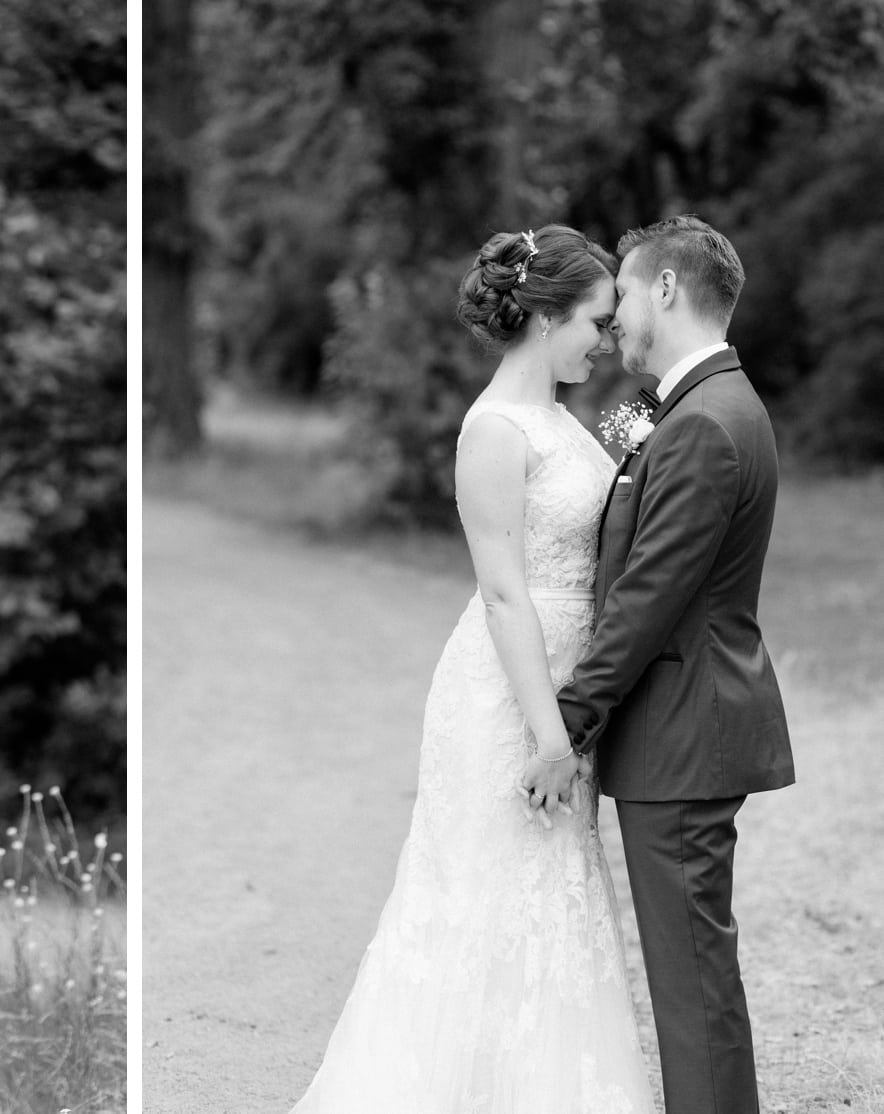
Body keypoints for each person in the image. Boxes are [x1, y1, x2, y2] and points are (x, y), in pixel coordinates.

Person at [290, 225, 656, 1112]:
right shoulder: (492, 430)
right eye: (596, 322)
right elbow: (502, 594)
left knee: (555, 888)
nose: (605, 340)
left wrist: (648, 448)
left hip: (566, 689)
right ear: (545, 319)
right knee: (488, 889)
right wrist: (548, 733)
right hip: (509, 698)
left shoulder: (566, 418)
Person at [526, 215, 794, 1114]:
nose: (618, 322)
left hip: (685, 729)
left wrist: (566, 719)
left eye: (628, 296)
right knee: (692, 966)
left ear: (668, 289)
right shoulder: (695, 408)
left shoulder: (705, 423)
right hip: (687, 725)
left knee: (689, 975)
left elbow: (649, 599)